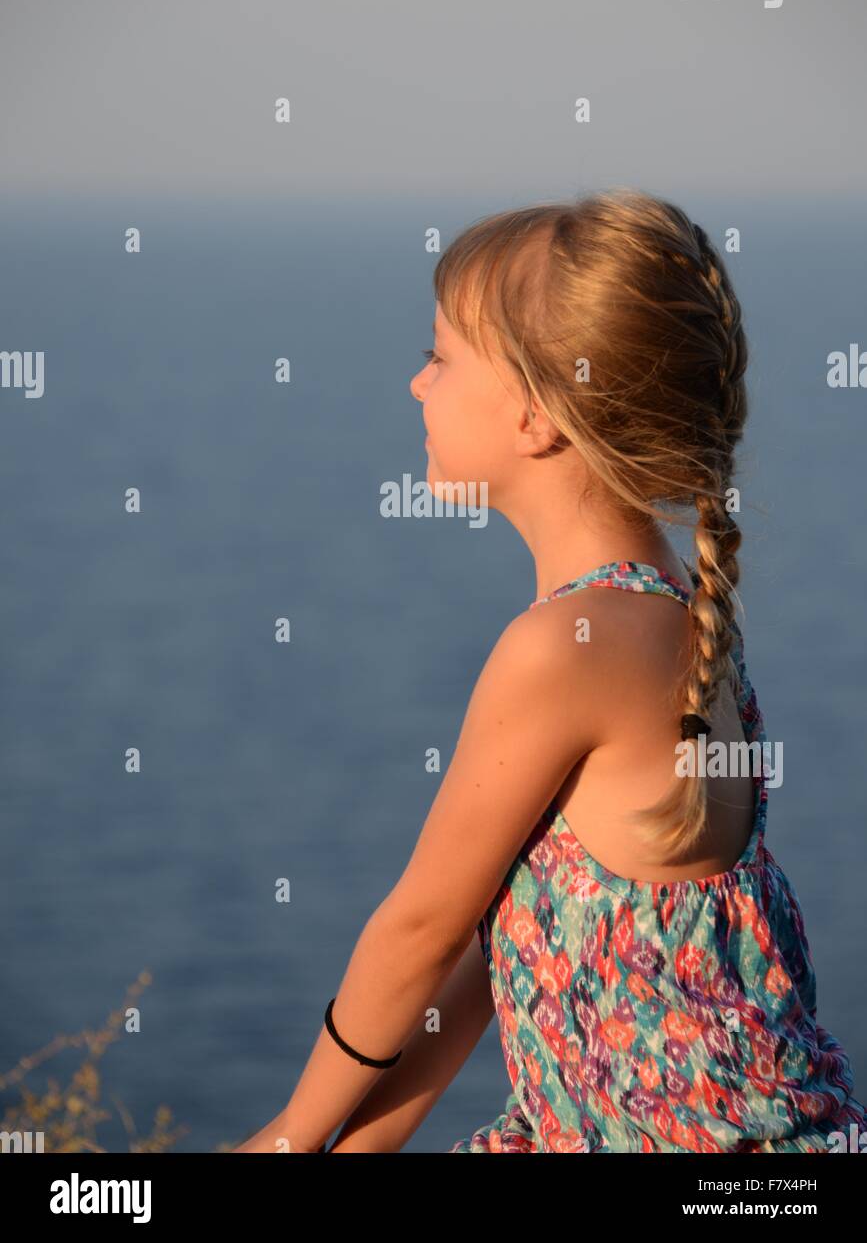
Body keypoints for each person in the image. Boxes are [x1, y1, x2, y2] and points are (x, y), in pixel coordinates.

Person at [233, 189, 866, 1154]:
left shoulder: (565, 649)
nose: (415, 385)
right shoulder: (669, 618)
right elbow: (494, 955)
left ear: (535, 414)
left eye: (439, 358)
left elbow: (420, 931)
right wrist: (350, 1146)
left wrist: (283, 1142)